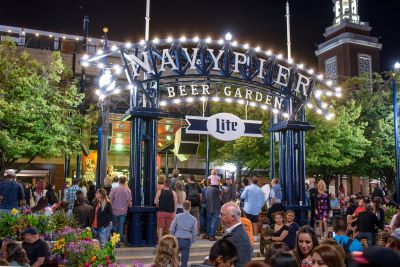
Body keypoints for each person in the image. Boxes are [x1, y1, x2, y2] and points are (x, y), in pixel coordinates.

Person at [220, 202, 252, 267]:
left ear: (233, 217)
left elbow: (242, 264)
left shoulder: (239, 237)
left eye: (222, 214)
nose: (219, 216)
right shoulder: (235, 231)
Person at [170, 200, 197, 267]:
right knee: (184, 262)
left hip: (177, 239)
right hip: (187, 240)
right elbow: (194, 232)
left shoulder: (177, 216)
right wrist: (192, 241)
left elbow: (172, 229)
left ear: (182, 207)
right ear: (190, 207)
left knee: (174, 260)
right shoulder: (193, 219)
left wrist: (173, 238)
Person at [109, 176, 132, 246]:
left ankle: (114, 242)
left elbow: (110, 199)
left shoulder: (114, 189)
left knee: (114, 226)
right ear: (125, 182)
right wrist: (125, 206)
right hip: (123, 211)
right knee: (121, 227)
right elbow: (129, 202)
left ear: (119, 181)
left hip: (114, 211)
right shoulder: (128, 190)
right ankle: (118, 242)